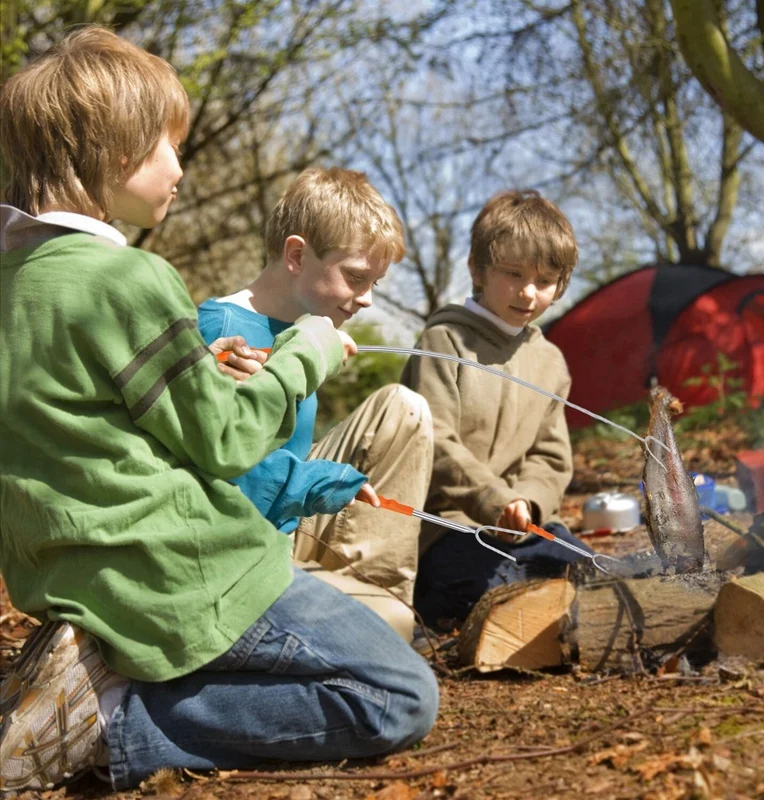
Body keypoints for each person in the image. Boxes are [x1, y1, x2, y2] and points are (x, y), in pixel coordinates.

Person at [0, 27, 437, 794]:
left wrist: (202, 371)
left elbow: (78, 424)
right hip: (187, 575)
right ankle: (110, 723)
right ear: (111, 153)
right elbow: (227, 442)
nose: (180, 167)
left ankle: (90, 683)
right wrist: (307, 348)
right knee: (400, 694)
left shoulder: (15, 285)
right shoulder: (128, 278)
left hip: (78, 580)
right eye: (168, 145)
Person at [198, 168, 433, 617]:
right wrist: (327, 482)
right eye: (356, 277)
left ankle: (375, 590)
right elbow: (227, 475)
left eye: (373, 284)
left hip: (291, 510)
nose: (366, 299)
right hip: (240, 536)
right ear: (296, 255)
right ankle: (361, 617)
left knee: (402, 407)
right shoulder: (224, 333)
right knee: (388, 629)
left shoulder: (308, 330)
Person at [401, 189, 591, 629]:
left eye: (544, 281)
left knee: (589, 572)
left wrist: (527, 502)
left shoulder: (550, 361)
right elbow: (436, 441)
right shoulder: (444, 342)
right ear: (477, 270)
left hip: (527, 527)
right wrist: (494, 501)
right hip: (451, 528)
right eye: (513, 274)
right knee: (486, 587)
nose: (528, 293)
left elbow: (550, 456)